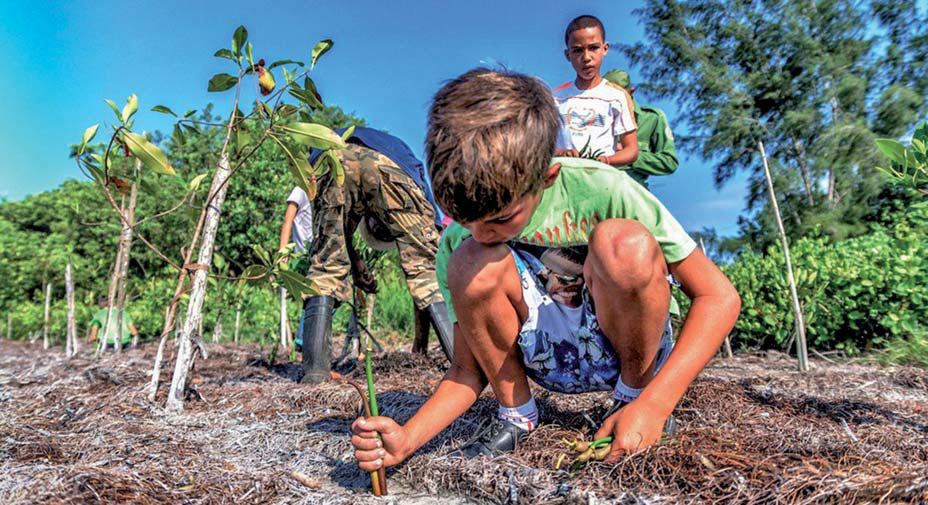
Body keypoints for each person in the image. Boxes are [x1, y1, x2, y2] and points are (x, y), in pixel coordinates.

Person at [349, 69, 740, 470]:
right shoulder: (464, 243)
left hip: (626, 347)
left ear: (547, 176)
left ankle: (631, 397)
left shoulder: (605, 188)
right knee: (468, 259)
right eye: (466, 221)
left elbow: (719, 297)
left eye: (501, 220)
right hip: (547, 359)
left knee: (624, 244)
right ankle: (518, 413)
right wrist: (406, 440)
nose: (483, 234)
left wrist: (655, 403)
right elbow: (467, 369)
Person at [299, 126, 454, 384]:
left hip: (330, 159)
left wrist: (356, 265)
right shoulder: (401, 154)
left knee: (325, 265)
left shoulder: (360, 189)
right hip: (390, 168)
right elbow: (428, 265)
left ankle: (314, 374)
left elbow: (338, 238)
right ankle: (464, 365)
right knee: (427, 269)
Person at [553, 15, 639, 170]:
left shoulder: (617, 97)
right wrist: (559, 153)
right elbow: (539, 146)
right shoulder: (555, 98)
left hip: (602, 180)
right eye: (577, 50)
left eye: (593, 48)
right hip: (562, 178)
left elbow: (631, 150)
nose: (586, 57)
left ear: (605, 49)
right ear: (568, 55)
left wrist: (605, 160)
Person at [602, 69, 679, 188]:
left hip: (633, 192)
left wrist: (630, 155)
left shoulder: (652, 118)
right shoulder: (592, 119)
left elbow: (669, 162)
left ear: (631, 93)